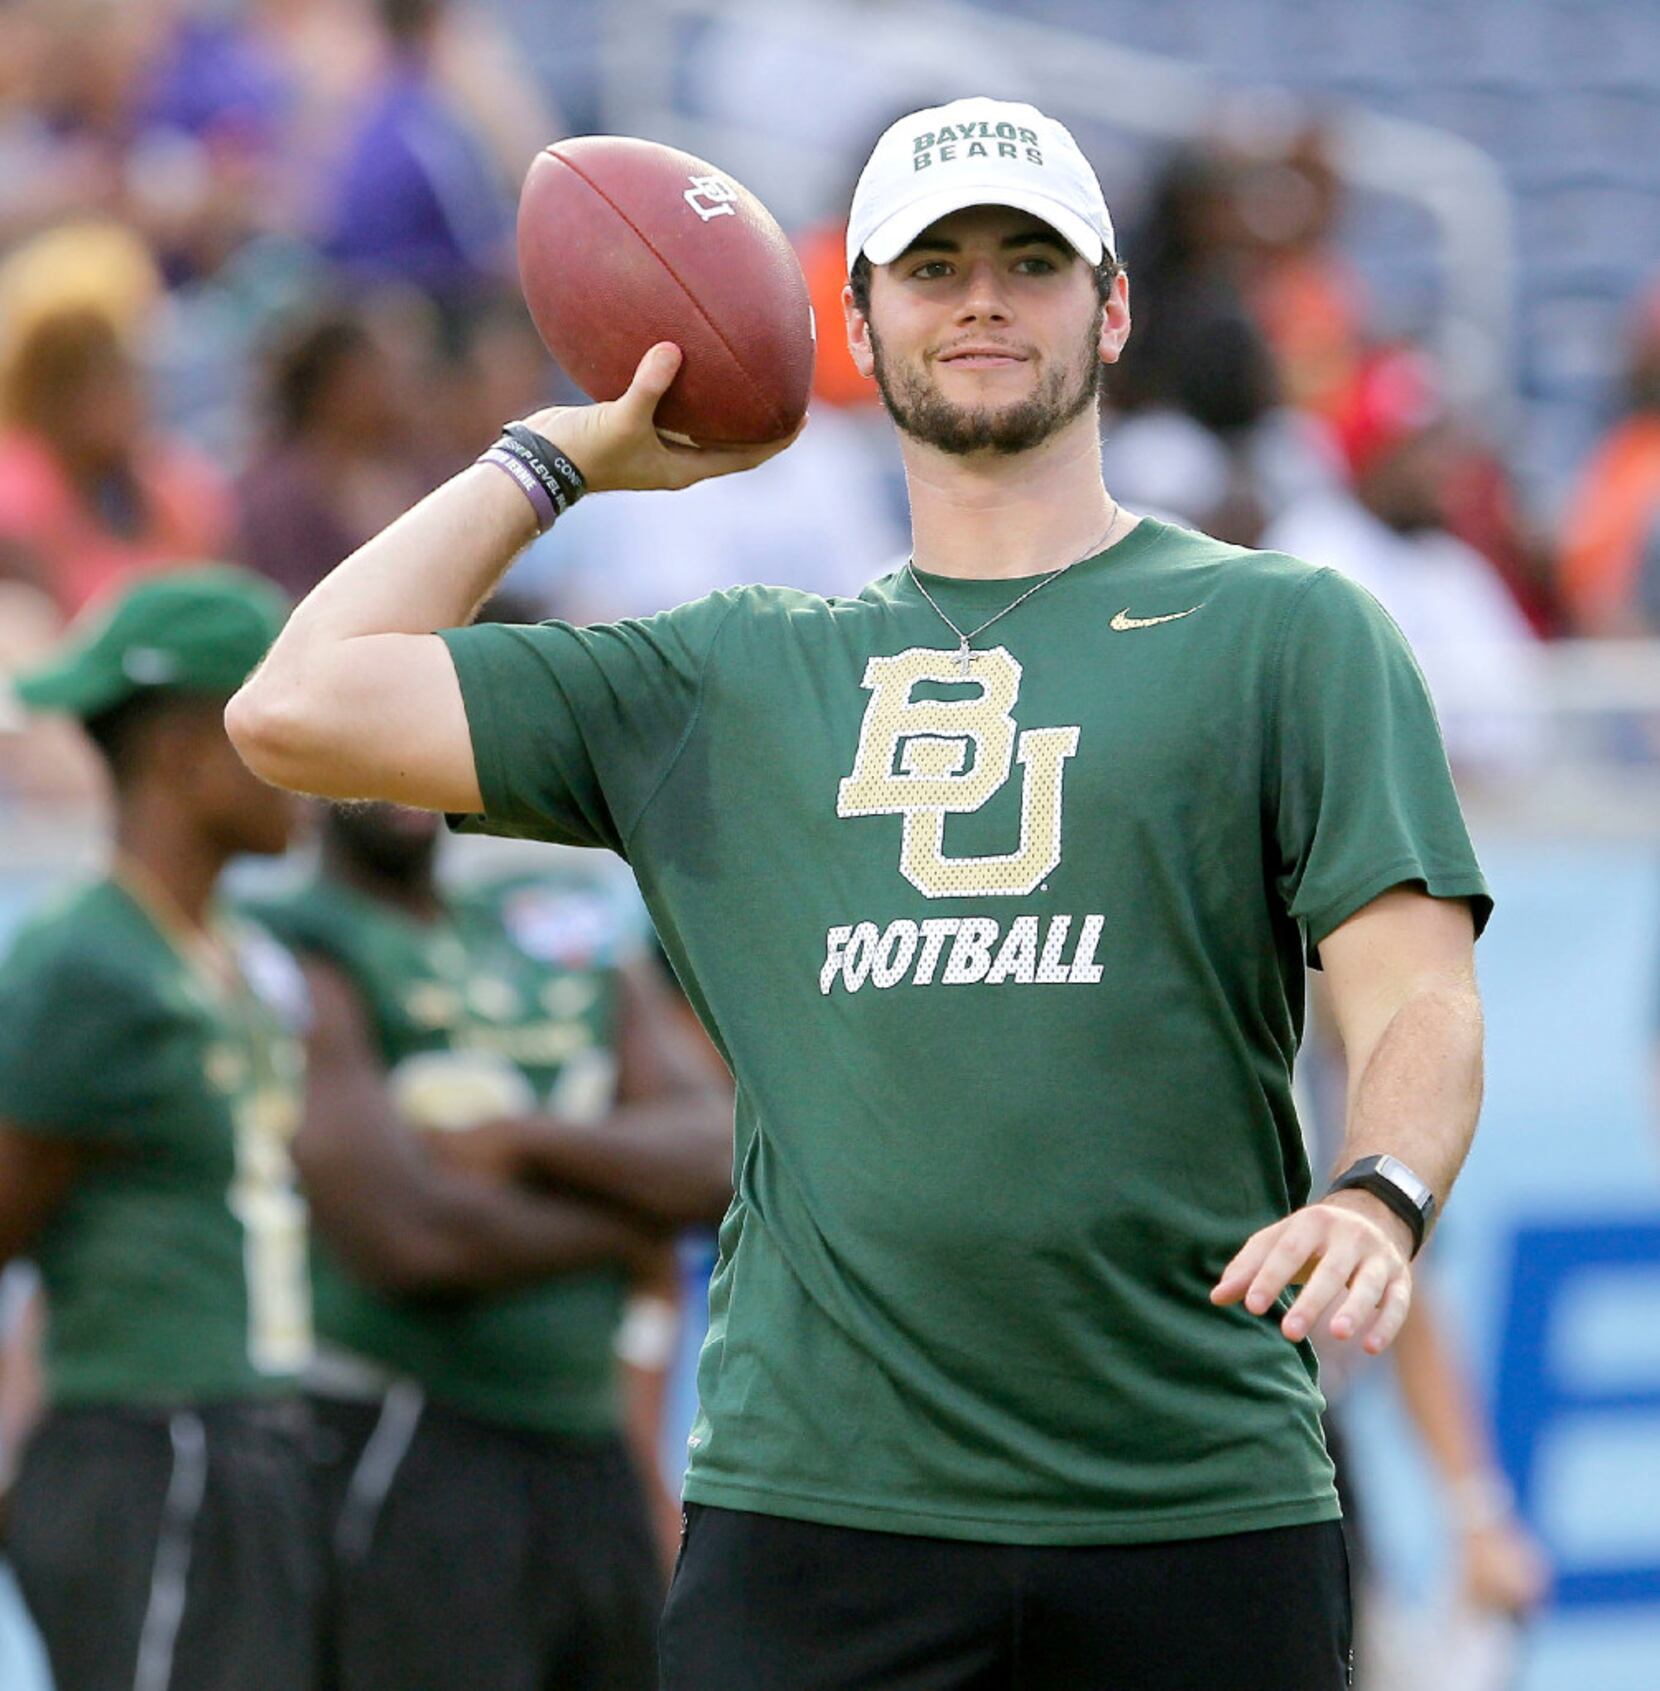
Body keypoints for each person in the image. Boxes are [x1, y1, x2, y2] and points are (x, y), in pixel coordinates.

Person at [228, 96, 1492, 1691]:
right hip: (820, 1513)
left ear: (1112, 307)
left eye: (1031, 262)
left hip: (1197, 1495)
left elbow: (1420, 989)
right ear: (855, 318)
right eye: (934, 264)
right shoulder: (729, 671)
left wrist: (1381, 1189)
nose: (981, 298)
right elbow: (296, 705)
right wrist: (561, 456)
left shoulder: (1293, 631)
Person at [255, 797, 732, 1691]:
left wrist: (526, 1142)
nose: (390, 781)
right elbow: (412, 1238)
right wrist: (636, 1212)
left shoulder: (553, 914)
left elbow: (723, 1156)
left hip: (592, 1451)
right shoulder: (290, 940)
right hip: (410, 1439)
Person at [0, 567, 317, 1691]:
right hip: (149, 1445)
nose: (316, 764)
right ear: (188, 749)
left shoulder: (235, 950)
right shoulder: (86, 958)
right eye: (282, 721)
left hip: (244, 1436)